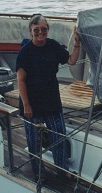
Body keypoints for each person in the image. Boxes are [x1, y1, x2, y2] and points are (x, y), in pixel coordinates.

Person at [16, 14, 81, 181]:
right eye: (36, 30)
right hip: (32, 103)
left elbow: (72, 61)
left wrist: (77, 43)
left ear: (48, 30)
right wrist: (26, 105)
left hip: (51, 100)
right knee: (34, 140)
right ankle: (38, 172)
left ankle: (62, 168)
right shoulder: (25, 52)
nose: (40, 32)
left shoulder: (52, 46)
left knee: (59, 134)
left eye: (43, 29)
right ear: (31, 31)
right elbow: (21, 80)